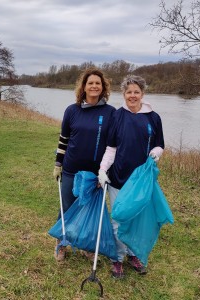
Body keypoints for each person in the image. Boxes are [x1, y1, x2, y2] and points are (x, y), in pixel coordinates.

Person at [97, 74, 165, 279]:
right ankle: (117, 259)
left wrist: (156, 153)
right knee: (119, 220)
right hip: (118, 179)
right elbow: (111, 148)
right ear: (124, 94)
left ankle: (133, 254)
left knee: (137, 220)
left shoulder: (153, 117)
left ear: (142, 94)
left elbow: (160, 144)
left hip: (141, 182)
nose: (133, 95)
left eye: (137, 92)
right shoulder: (117, 116)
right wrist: (102, 170)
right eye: (129, 92)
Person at [52, 68, 116, 261]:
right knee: (67, 206)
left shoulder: (111, 113)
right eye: (90, 83)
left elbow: (113, 145)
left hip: (96, 173)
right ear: (84, 87)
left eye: (98, 83)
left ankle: (87, 245)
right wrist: (58, 164)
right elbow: (64, 139)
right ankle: (61, 243)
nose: (94, 86)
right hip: (71, 169)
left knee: (90, 209)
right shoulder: (72, 110)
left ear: (103, 87)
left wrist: (104, 172)